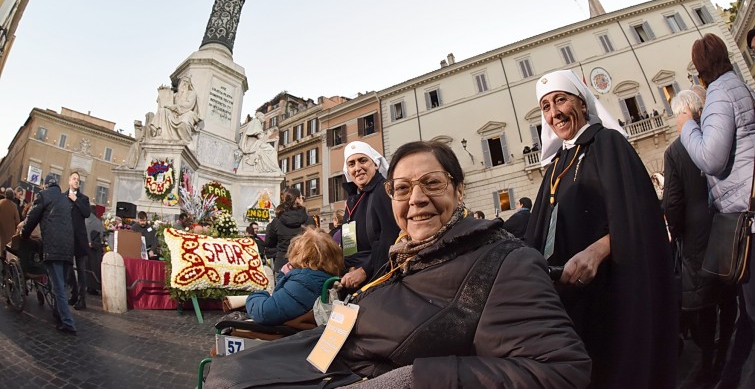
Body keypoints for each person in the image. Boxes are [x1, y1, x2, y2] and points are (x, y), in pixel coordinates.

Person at [203, 140, 591, 388]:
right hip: (332, 356)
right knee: (226, 373)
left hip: (362, 375)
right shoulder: (405, 252)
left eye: (432, 184)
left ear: (459, 190)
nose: (416, 199)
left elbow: (561, 369)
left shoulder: (507, 261)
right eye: (402, 189)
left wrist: (412, 379)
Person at [525, 70, 676, 388]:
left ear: (580, 103)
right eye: (546, 107)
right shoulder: (556, 165)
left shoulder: (607, 144)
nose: (554, 113)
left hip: (610, 291)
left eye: (561, 100)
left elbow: (639, 217)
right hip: (568, 299)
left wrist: (598, 250)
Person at [676, 33, 755, 389]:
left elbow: (711, 156)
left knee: (750, 318)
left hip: (744, 221)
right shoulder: (737, 86)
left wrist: (687, 126)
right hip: (746, 215)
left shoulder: (721, 93)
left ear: (700, 68)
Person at [665, 89, 736, 388]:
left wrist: (677, 232)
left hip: (695, 239)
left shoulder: (675, 151)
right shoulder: (719, 135)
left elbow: (672, 202)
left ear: (681, 114)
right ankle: (730, 352)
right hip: (728, 227)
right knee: (730, 294)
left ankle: (710, 362)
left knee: (705, 304)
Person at [245, 228, 342, 326]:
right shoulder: (322, 276)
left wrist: (257, 295)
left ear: (300, 255)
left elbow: (264, 313)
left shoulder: (304, 281)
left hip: (289, 336)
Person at [340, 141, 400, 290]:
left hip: (379, 277)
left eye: (363, 160)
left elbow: (391, 237)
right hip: (356, 276)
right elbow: (349, 242)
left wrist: (364, 270)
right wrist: (351, 268)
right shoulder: (353, 198)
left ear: (375, 164)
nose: (358, 168)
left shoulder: (383, 190)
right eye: (351, 164)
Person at [21, 174, 77, 335]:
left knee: (58, 287)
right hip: (68, 247)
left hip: (53, 247)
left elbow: (31, 218)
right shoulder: (64, 199)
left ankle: (68, 323)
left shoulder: (43, 196)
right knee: (61, 285)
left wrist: (24, 236)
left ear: (45, 185)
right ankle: (59, 314)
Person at [264, 188, 312, 275]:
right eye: (302, 197)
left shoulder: (277, 220)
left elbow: (269, 242)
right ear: (297, 199)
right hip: (302, 263)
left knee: (281, 288)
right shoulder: (308, 220)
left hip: (282, 264)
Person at [64, 171, 91, 310]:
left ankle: (82, 299)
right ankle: (74, 294)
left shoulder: (83, 199)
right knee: (68, 269)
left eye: (78, 180)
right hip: (67, 239)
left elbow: (87, 213)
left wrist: (76, 200)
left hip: (79, 239)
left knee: (81, 270)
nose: (76, 181)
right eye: (74, 179)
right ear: (69, 181)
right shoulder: (62, 197)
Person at [149, 76, 201, 143]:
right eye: (183, 81)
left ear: (190, 84)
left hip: (186, 112)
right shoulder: (176, 95)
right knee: (162, 111)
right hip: (174, 113)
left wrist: (175, 107)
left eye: (187, 82)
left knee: (184, 122)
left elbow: (189, 105)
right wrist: (163, 92)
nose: (185, 84)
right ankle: (159, 134)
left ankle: (186, 142)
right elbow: (165, 101)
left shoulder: (192, 93)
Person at [84, 204, 103, 294]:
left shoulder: (84, 221)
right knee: (93, 268)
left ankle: (87, 286)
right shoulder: (98, 223)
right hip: (94, 250)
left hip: (86, 248)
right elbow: (101, 237)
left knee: (86, 267)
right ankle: (92, 288)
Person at [0, 188, 20, 260]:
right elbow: (17, 220)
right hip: (9, 233)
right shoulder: (14, 206)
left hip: (1, 230)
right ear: (12, 196)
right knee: (5, 251)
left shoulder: (1, 202)